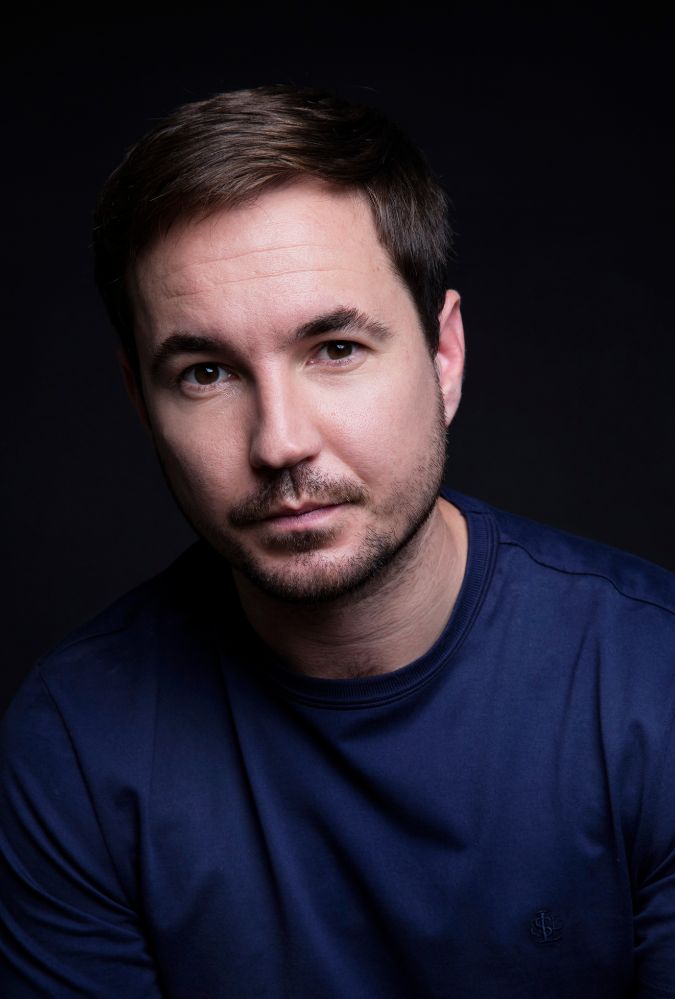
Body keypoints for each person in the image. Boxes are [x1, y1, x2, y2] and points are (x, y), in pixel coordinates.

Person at [1, 85, 674, 999]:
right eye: (205, 372)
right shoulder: (74, 747)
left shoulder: (650, 680)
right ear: (139, 400)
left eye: (335, 349)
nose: (279, 441)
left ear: (444, 356)